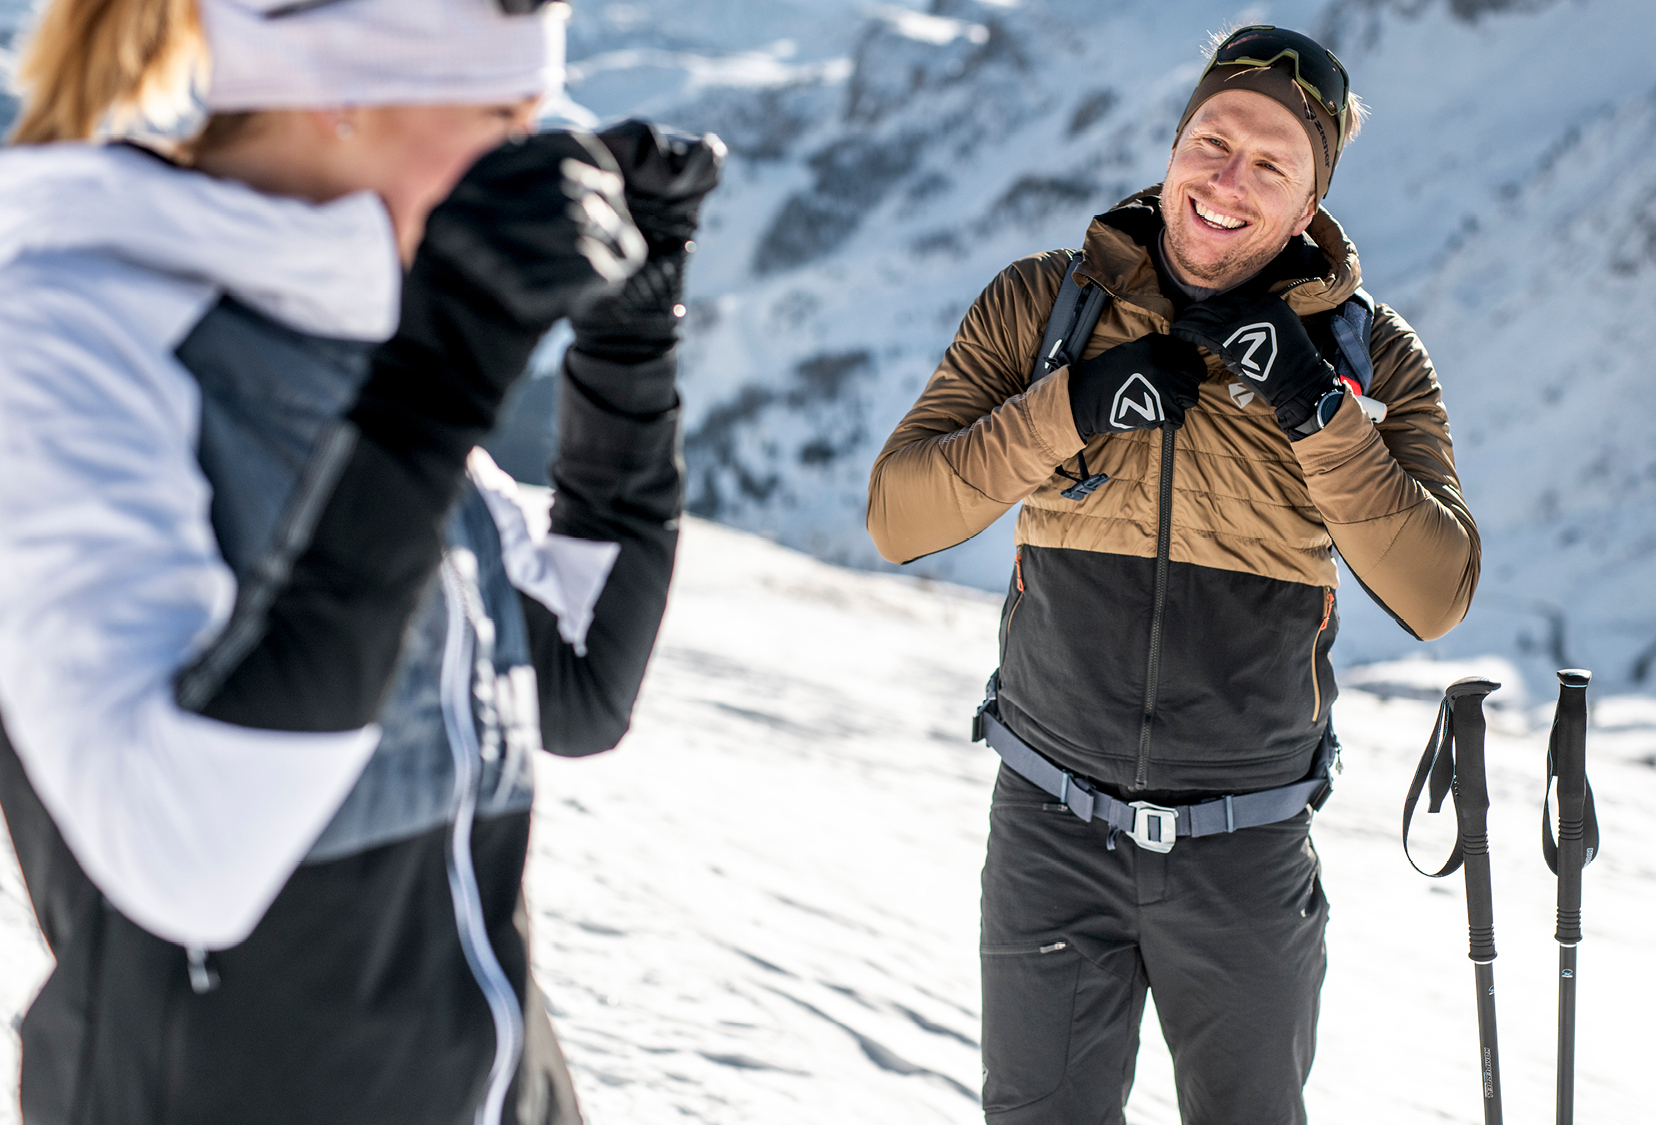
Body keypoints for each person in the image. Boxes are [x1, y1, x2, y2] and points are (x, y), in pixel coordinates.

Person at [0, 0, 720, 1120]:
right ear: (336, 88)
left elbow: (576, 687)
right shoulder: (69, 335)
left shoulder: (356, 336)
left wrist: (628, 338)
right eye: (500, 114)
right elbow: (180, 852)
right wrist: (437, 375)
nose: (532, 159)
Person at [868, 24, 1480, 1124]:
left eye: (1268, 164)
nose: (1224, 180)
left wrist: (1315, 411)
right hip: (1049, 833)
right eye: (1209, 140)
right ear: (1171, 145)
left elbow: (1435, 592)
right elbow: (899, 515)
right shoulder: (1042, 307)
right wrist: (1070, 405)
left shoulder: (1369, 359)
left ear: (1308, 207)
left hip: (1243, 855)